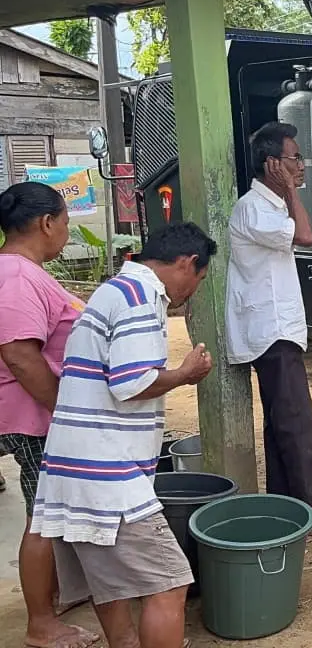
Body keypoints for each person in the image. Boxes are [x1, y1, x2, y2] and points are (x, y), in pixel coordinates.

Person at [30, 222, 218, 648]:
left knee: (110, 582)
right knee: (170, 581)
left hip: (71, 470)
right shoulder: (141, 298)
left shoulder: (113, 290)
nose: (193, 290)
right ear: (187, 264)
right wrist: (185, 374)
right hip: (107, 474)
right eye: (200, 279)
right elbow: (131, 383)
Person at [226, 121, 312, 540]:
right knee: (296, 422)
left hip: (275, 328)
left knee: (282, 422)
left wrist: (287, 193)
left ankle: (289, 506)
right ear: (272, 164)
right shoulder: (256, 207)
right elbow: (305, 235)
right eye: (293, 158)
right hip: (271, 331)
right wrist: (293, 192)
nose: (301, 165)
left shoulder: (268, 205)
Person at [0, 183, 100, 648]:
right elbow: (20, 354)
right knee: (42, 516)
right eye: (64, 220)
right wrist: (64, 411)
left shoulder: (23, 271)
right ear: (46, 223)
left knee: (48, 512)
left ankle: (53, 597)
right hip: (30, 417)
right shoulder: (17, 276)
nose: (66, 230)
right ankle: (41, 623)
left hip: (33, 413)